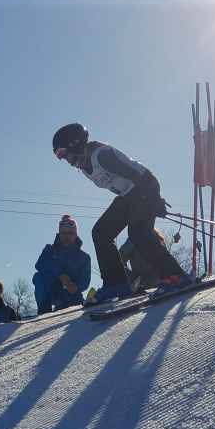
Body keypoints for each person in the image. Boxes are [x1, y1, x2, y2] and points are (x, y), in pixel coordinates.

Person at [52, 123, 191, 303]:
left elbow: (140, 175)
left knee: (138, 233)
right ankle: (115, 284)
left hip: (143, 187)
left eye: (63, 153)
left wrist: (154, 199)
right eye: (59, 156)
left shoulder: (102, 156)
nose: (64, 159)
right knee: (101, 232)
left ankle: (175, 277)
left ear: (75, 144)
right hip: (128, 195)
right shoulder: (85, 166)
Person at [32, 214, 91, 314]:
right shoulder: (50, 250)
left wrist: (75, 286)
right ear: (59, 234)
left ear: (75, 235)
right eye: (64, 233)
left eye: (70, 233)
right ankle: (44, 312)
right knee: (39, 277)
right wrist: (60, 274)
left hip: (72, 296)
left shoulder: (84, 257)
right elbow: (39, 265)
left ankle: (69, 306)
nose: (67, 236)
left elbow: (85, 282)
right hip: (52, 291)